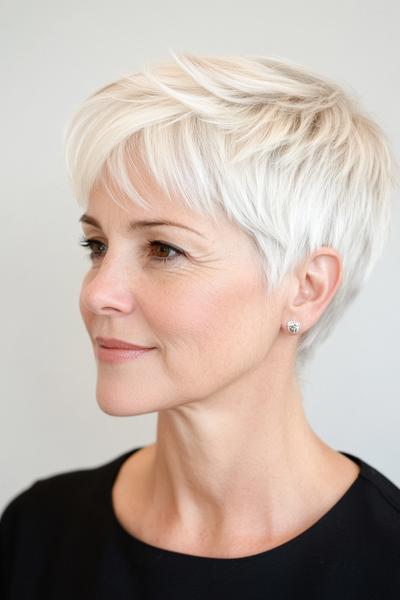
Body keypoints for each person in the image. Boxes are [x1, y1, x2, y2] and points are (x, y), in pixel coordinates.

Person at [1, 50, 399, 599]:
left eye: (164, 249)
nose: (97, 293)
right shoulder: (38, 531)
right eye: (96, 245)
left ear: (306, 289)